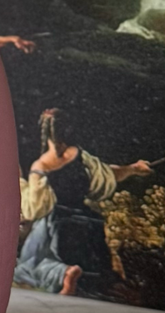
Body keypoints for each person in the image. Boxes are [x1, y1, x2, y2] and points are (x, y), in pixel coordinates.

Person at [16, 108, 151, 296]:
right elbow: (107, 175)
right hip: (87, 220)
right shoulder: (80, 156)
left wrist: (19, 183)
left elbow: (35, 209)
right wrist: (134, 168)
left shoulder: (42, 165)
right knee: (96, 266)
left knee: (30, 264)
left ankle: (64, 275)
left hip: (56, 224)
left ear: (43, 131)